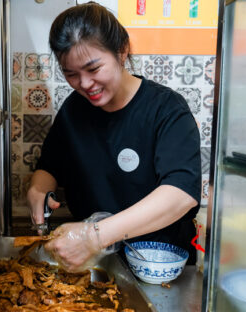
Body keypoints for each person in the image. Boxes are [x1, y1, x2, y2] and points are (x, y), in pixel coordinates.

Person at [26, 2, 201, 273]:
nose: (84, 84)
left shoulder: (166, 109)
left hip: (156, 266)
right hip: (97, 266)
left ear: (122, 51)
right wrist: (38, 190)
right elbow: (50, 165)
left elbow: (181, 194)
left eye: (94, 69)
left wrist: (94, 236)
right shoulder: (74, 109)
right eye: (71, 74)